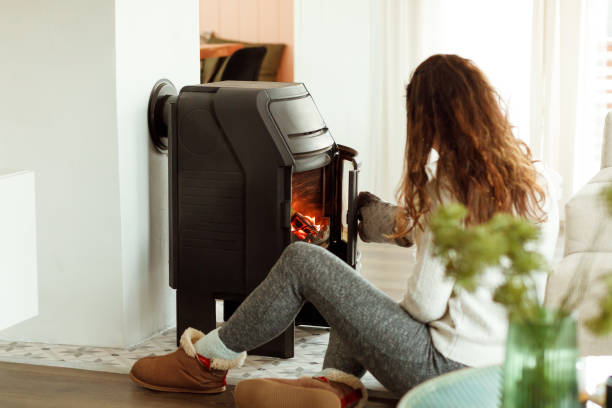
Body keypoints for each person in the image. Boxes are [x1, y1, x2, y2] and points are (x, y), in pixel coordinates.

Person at [129, 54, 559, 408]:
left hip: (445, 375)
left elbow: (427, 305)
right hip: (503, 378)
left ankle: (204, 363)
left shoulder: (450, 184)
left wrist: (375, 319)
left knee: (303, 259)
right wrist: (366, 308)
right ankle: (336, 387)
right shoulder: (538, 181)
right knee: (353, 294)